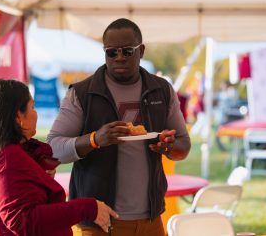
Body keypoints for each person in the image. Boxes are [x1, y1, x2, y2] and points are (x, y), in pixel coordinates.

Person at [47, 18, 191, 236]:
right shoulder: (82, 93)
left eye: (127, 51)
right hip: (100, 221)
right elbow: (53, 148)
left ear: (141, 51)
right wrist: (94, 140)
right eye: (112, 52)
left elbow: (184, 145)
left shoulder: (161, 90)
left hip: (150, 219)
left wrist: (170, 147)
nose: (119, 58)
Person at [0, 79, 118, 236]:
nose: (35, 114)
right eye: (32, 107)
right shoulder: (6, 157)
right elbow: (22, 220)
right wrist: (88, 207)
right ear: (18, 117)